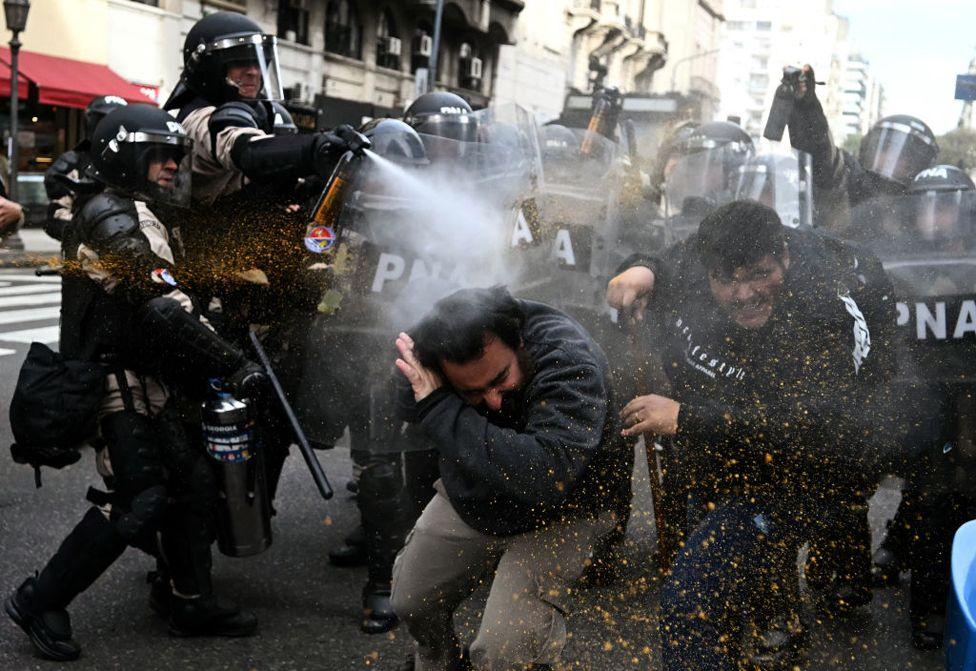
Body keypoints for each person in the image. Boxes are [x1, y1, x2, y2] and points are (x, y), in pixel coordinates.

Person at [5, 104, 264, 662]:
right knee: (140, 496)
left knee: (192, 485)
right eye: (159, 154)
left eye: (176, 154)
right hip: (111, 378)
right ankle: (38, 599)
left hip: (154, 375)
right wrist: (232, 362)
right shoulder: (109, 214)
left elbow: (186, 292)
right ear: (126, 153)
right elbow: (162, 306)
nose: (172, 164)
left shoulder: (147, 210)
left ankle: (188, 599)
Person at [606, 200, 896, 670]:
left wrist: (685, 416)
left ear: (783, 256)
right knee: (730, 542)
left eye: (759, 275)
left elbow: (802, 427)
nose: (743, 294)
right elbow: (670, 257)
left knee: (693, 594)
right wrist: (642, 270)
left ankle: (839, 556)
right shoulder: (709, 258)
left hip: (822, 455)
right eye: (727, 279)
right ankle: (776, 610)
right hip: (733, 435)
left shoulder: (822, 309)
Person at [390, 286, 630, 671]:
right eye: (473, 391)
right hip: (478, 490)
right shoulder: (445, 343)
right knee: (411, 602)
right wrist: (421, 363)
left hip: (562, 507)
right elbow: (404, 400)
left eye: (501, 378)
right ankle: (439, 661)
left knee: (504, 653)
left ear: (518, 340)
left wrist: (442, 405)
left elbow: (540, 476)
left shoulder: (569, 361)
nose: (494, 401)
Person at [786, 64, 938, 230]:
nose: (889, 158)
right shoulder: (851, 180)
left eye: (903, 155)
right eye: (884, 149)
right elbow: (823, 158)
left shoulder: (925, 208)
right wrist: (807, 109)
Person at [43, 95, 129, 242]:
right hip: (84, 250)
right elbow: (55, 217)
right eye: (103, 121)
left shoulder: (137, 163)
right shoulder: (73, 162)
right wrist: (90, 233)